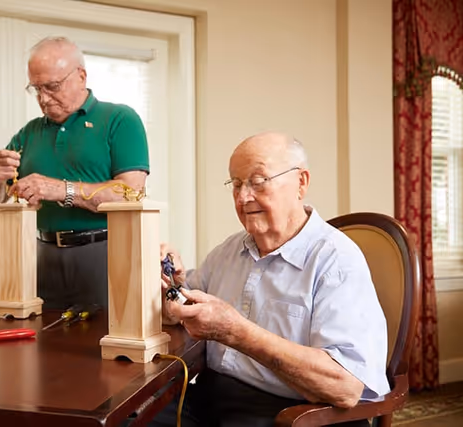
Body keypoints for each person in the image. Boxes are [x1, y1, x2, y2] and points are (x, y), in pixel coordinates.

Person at [153, 131, 390, 427]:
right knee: (129, 419)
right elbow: (182, 308)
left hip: (294, 414)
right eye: (236, 184)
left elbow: (345, 386)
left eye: (258, 181)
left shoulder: (336, 260)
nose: (243, 197)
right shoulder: (229, 250)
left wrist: (236, 332)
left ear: (300, 183)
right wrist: (171, 285)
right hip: (215, 397)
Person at [0, 36, 149, 310]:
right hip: (42, 256)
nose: (43, 98)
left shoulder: (120, 120)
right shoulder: (29, 132)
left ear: (81, 76)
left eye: (52, 86)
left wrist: (60, 189)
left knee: (101, 345)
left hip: (105, 253)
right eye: (36, 89)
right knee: (41, 346)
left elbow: (131, 194)